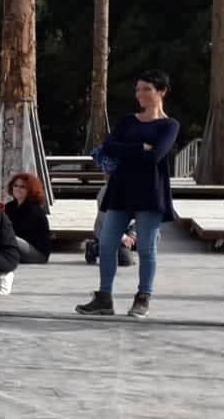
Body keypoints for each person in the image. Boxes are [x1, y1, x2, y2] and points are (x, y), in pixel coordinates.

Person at [76, 69, 179, 319]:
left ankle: (143, 297)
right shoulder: (127, 121)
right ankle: (104, 298)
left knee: (146, 248)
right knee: (107, 243)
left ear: (161, 92)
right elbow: (109, 146)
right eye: (138, 89)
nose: (140, 94)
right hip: (120, 189)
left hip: (150, 191)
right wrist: (139, 148)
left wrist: (130, 151)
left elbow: (156, 156)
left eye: (147, 89)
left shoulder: (169, 125)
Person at [4, 172, 52, 264]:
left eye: (22, 187)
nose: (18, 189)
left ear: (30, 190)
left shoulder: (33, 210)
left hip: (37, 254)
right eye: (16, 185)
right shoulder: (10, 206)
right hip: (17, 248)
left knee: (9, 237)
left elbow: (19, 232)